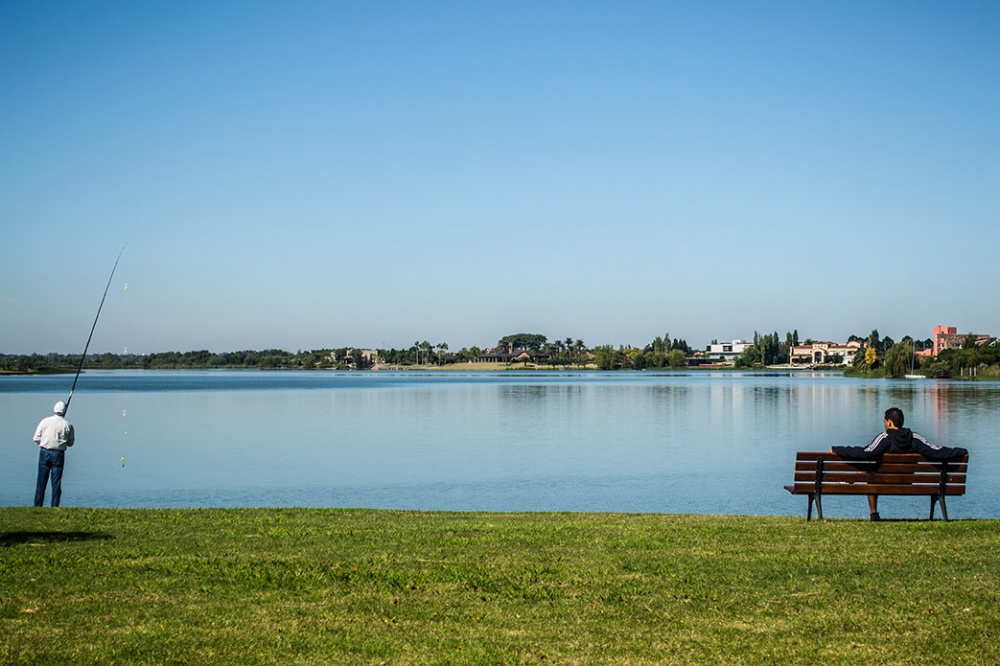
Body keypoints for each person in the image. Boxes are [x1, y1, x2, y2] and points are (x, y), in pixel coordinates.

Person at [831, 407, 968, 521]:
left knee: (869, 472)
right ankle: (851, 482)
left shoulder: (884, 438)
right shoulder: (914, 438)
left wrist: (837, 450)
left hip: (883, 480)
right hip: (907, 481)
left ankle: (874, 514)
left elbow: (865, 452)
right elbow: (935, 451)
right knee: (870, 470)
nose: (884, 425)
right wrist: (960, 451)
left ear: (889, 423)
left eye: (885, 422)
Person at [33, 401, 75, 507]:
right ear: (64, 411)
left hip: (44, 452)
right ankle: (55, 506)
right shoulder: (68, 425)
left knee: (41, 482)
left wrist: (44, 443)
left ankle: (38, 506)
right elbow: (70, 443)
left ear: (54, 410)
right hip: (58, 454)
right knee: (56, 483)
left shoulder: (45, 421)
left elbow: (36, 438)